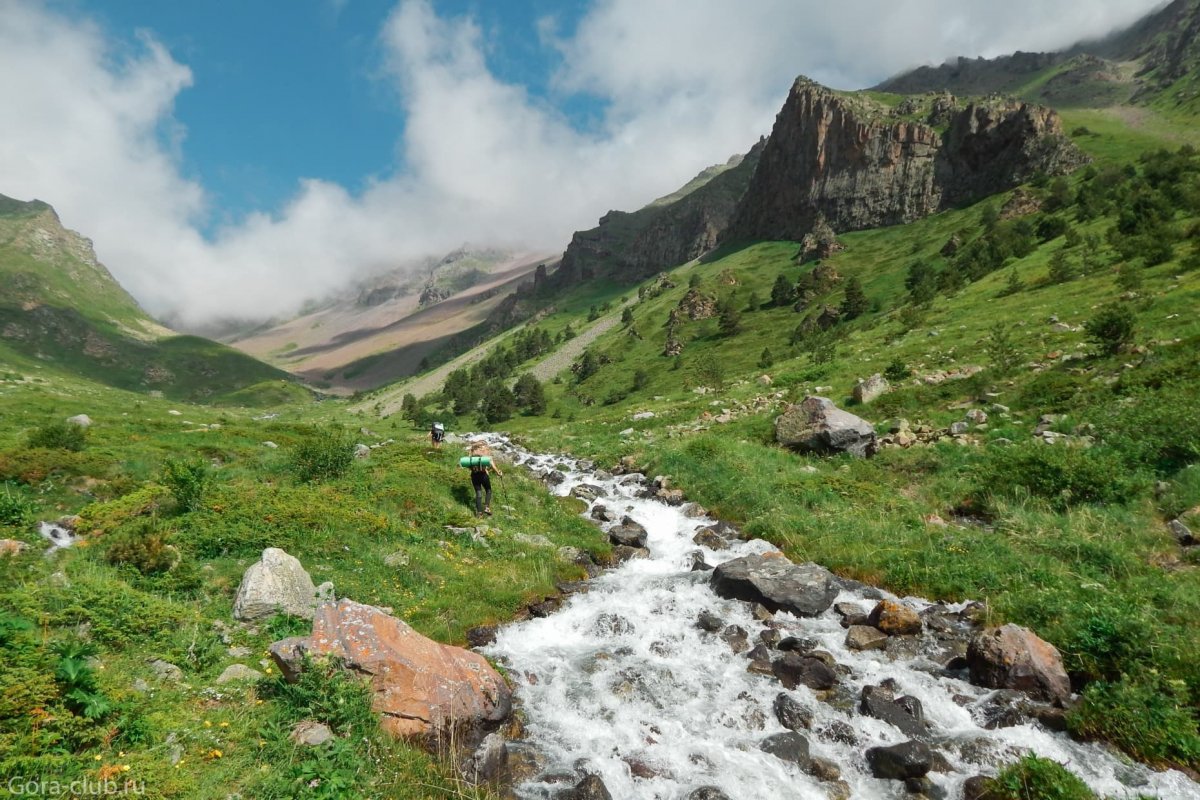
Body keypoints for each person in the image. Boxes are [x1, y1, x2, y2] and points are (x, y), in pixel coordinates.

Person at [466, 441, 502, 517]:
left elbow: (469, 466)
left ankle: (479, 513)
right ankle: (487, 507)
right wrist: (498, 473)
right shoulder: (486, 455)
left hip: (474, 476)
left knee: (478, 494)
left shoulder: (471, 455)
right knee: (488, 490)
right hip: (483, 475)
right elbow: (493, 466)